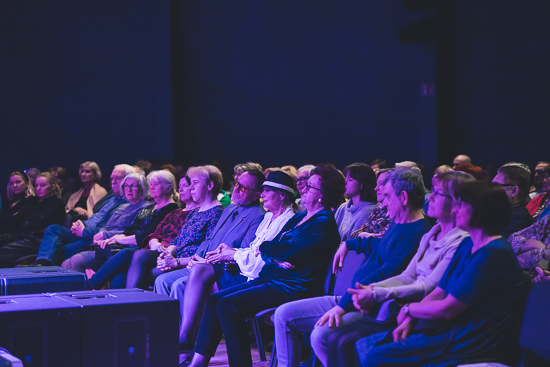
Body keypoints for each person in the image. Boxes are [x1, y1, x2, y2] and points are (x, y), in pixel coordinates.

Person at [186, 163, 344, 367]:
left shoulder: (323, 223)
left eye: (310, 187)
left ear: (322, 195)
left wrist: (275, 251)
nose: (303, 189)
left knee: (228, 306)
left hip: (292, 287)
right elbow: (274, 248)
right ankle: (199, 361)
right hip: (272, 278)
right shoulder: (300, 218)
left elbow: (276, 248)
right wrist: (275, 253)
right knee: (214, 300)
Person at [355, 181, 527, 367]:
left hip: (473, 339)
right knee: (364, 346)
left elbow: (447, 308)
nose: (456, 210)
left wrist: (408, 309)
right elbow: (439, 291)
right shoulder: (467, 244)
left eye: (462, 205)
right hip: (454, 328)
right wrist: (412, 317)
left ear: (480, 211)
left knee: (376, 356)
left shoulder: (493, 253)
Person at [311, 171, 473, 367]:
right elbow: (407, 276)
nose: (431, 198)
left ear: (457, 202)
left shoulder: (461, 242)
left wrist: (376, 293)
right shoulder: (431, 234)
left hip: (420, 316)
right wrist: (371, 290)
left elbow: (428, 287)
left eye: (438, 193)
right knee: (338, 340)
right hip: (403, 309)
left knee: (344, 342)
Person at [272, 169, 431, 367]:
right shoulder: (399, 222)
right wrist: (348, 244)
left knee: (320, 335)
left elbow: (386, 273)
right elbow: (378, 245)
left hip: (369, 306)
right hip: (352, 298)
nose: (383, 202)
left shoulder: (416, 232)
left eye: (388, 196)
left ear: (404, 197)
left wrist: (342, 306)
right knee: (283, 314)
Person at [176, 171, 296, 358]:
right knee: (205, 288)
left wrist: (231, 255)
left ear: (281, 195)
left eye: (266, 190)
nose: (263, 194)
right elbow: (248, 250)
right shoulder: (265, 217)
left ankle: (187, 344)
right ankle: (191, 351)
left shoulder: (283, 220)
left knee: (211, 292)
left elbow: (261, 260)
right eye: (236, 184)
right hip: (244, 271)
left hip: (257, 278)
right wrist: (224, 253)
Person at [153, 170, 266, 316]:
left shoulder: (258, 216)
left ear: (258, 194)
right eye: (237, 184)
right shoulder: (230, 208)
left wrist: (198, 262)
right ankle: (166, 330)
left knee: (178, 285)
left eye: (243, 188)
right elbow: (209, 239)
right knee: (162, 280)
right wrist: (195, 258)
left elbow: (241, 254)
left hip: (223, 271)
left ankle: (187, 334)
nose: (236, 189)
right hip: (203, 264)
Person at [76, 170, 182, 287]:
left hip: (144, 250)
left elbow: (147, 235)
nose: (152, 187)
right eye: (150, 184)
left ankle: (89, 285)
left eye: (156, 184)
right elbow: (130, 230)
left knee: (124, 254)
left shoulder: (170, 209)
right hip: (131, 247)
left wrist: (120, 239)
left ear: (168, 188)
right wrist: (114, 239)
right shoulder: (150, 207)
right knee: (108, 270)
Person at [33, 164, 134, 266]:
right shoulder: (111, 197)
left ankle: (43, 268)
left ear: (129, 180)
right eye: (112, 178)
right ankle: (41, 263)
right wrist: (79, 224)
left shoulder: (127, 203)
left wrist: (83, 231)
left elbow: (108, 229)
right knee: (53, 229)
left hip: (93, 237)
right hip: (84, 229)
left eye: (118, 178)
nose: (113, 182)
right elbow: (96, 217)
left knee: (60, 249)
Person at [59, 172, 152, 271]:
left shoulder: (145, 208)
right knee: (64, 263)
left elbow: (129, 232)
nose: (128, 189)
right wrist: (100, 234)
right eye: (126, 186)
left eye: (133, 186)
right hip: (104, 244)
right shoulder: (122, 207)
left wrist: (104, 234)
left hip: (119, 246)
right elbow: (107, 226)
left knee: (75, 261)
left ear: (142, 188)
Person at [0, 172, 65, 267]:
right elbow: (26, 224)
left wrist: (27, 226)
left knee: (2, 251)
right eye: (36, 185)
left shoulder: (56, 203)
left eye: (42, 185)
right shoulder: (37, 203)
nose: (38, 188)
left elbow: (38, 225)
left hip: (39, 241)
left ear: (53, 187)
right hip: (26, 237)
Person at [334, 163, 377, 241]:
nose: (345, 182)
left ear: (362, 184)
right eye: (346, 178)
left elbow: (354, 241)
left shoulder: (368, 211)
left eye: (350, 179)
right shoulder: (343, 207)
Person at [349, 168, 394, 239]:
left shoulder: (396, 215)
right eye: (377, 184)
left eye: (381, 184)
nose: (376, 188)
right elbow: (353, 235)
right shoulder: (377, 211)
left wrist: (366, 236)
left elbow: (383, 240)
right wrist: (363, 235)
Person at [492, 164, 533, 238]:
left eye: (496, 186)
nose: (490, 190)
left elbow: (498, 244)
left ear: (514, 191)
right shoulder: (501, 211)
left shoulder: (519, 217)